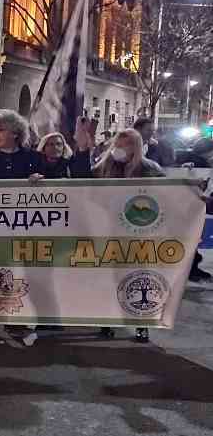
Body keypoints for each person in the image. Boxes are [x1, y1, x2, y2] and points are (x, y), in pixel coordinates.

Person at [92, 128, 164, 343]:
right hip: (108, 230)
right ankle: (107, 320)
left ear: (137, 147)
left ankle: (142, 324)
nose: (122, 149)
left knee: (141, 278)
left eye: (128, 145)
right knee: (109, 278)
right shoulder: (102, 167)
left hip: (139, 233)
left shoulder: (150, 169)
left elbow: (168, 193)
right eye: (119, 144)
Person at [0, 110, 44, 183]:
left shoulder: (34, 157)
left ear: (15, 133)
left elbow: (50, 187)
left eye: (1, 130)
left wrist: (40, 179)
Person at [179, 138, 213, 282]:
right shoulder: (196, 162)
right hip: (193, 206)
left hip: (200, 206)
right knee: (192, 239)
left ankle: (193, 267)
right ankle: (191, 269)